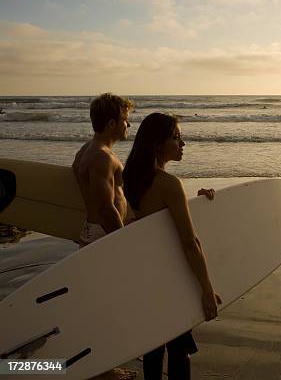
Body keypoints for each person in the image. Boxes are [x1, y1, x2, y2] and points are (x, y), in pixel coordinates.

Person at [122, 113, 221, 380]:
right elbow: (189, 242)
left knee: (154, 347)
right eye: (176, 137)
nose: (183, 143)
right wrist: (207, 290)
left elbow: (155, 224)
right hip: (170, 277)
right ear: (157, 144)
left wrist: (196, 204)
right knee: (179, 348)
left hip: (145, 276)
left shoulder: (129, 178)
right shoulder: (168, 184)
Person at [72, 93, 133, 247]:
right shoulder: (102, 157)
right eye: (125, 120)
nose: (129, 125)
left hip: (94, 229)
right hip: (104, 233)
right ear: (112, 124)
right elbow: (105, 208)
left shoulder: (85, 150)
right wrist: (123, 239)